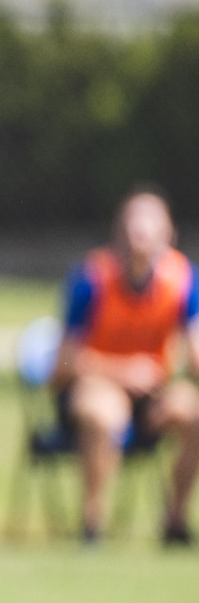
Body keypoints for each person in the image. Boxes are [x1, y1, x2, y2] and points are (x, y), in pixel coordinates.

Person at [53, 188, 199, 544]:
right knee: (103, 413)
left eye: (151, 221)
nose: (141, 229)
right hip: (95, 387)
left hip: (152, 395)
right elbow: (64, 361)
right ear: (119, 231)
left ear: (169, 234)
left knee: (193, 411)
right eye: (134, 219)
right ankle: (93, 526)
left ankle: (175, 522)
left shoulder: (181, 280)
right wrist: (122, 371)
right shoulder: (92, 280)